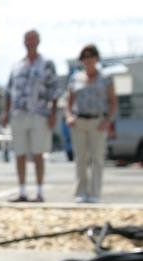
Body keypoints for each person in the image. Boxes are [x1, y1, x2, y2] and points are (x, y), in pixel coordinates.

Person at [1, 30, 60, 202]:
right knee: (19, 153)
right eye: (27, 39)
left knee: (38, 153)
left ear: (39, 41)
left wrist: (53, 113)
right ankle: (22, 191)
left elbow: (54, 90)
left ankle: (40, 191)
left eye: (33, 39)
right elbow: (8, 92)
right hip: (18, 114)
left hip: (39, 114)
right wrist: (6, 112)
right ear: (24, 42)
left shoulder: (47, 64)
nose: (30, 42)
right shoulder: (17, 66)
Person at [65, 44, 117, 203]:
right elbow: (68, 102)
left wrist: (107, 120)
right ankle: (80, 192)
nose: (88, 60)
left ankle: (95, 193)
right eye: (85, 57)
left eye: (91, 56)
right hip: (79, 122)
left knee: (97, 158)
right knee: (81, 158)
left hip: (98, 122)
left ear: (96, 58)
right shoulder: (75, 78)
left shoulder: (106, 79)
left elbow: (113, 102)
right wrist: (69, 117)